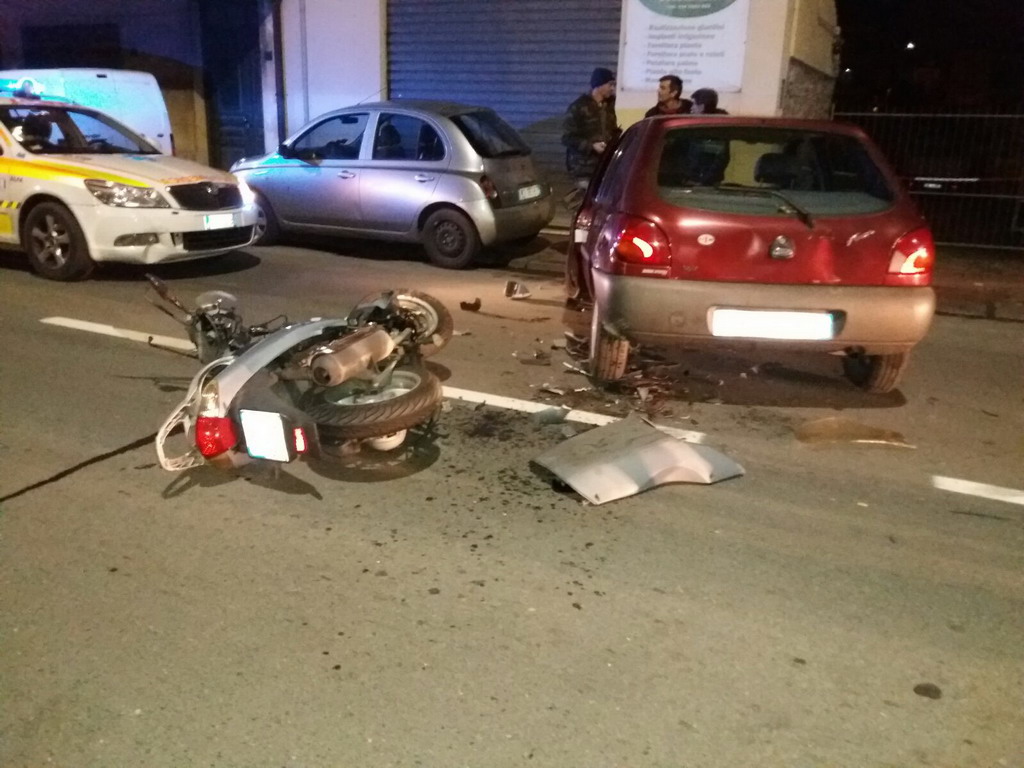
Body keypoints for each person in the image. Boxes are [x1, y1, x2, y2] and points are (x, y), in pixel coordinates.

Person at [562, 67, 620, 184]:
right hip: (583, 170)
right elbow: (567, 138)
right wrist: (591, 146)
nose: (612, 88)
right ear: (599, 85)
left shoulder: (608, 106)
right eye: (610, 84)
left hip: (604, 168)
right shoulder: (578, 107)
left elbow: (611, 129)